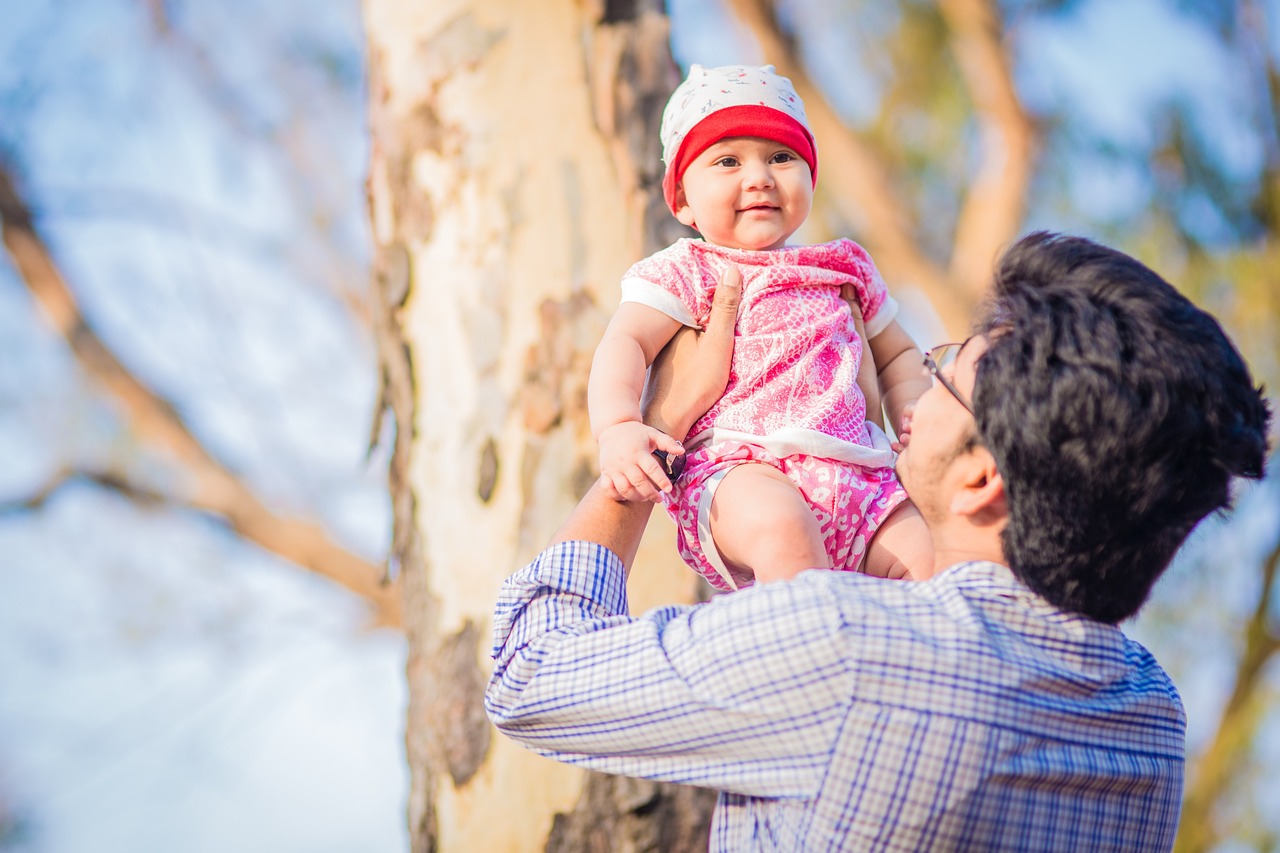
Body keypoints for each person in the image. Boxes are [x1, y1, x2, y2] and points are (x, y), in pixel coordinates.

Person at [487, 231, 1272, 851]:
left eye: (942, 375)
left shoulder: (844, 642)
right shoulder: (1152, 724)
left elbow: (527, 672)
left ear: (980, 480)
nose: (916, 394)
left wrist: (660, 424)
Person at [588, 63, 932, 589]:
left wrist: (913, 410)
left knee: (931, 564)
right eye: (728, 161)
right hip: (741, 469)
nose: (760, 177)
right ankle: (800, 660)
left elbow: (899, 354)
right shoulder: (689, 269)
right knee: (783, 533)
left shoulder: (845, 266)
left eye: (781, 157)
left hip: (865, 482)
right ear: (681, 200)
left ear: (810, 178)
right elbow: (627, 340)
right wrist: (617, 426)